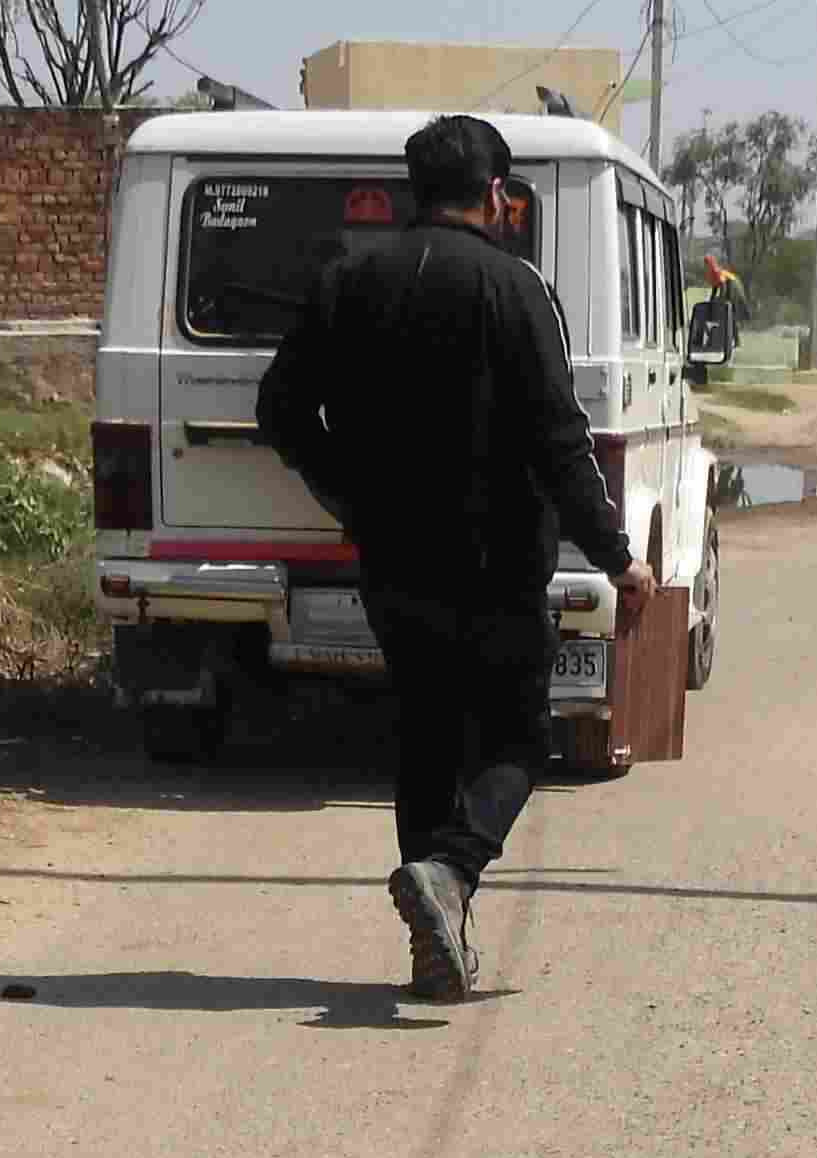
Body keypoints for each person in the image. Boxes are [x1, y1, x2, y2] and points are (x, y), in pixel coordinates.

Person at [258, 114, 641, 1002]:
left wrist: (348, 491)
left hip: (394, 560)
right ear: (498, 195)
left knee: (426, 738)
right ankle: (454, 872)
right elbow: (559, 440)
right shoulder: (516, 287)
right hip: (499, 562)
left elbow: (281, 410)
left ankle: (436, 944)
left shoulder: (348, 281)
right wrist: (616, 554)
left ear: (415, 191)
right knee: (518, 740)